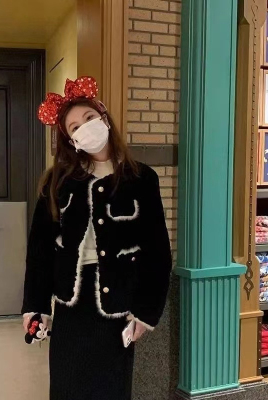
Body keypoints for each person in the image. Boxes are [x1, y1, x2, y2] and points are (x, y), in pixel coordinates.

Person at [21, 76, 172, 400]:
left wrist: (145, 313)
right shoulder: (57, 182)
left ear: (104, 117)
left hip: (118, 304)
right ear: (70, 139)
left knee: (112, 390)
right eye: (74, 127)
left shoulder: (141, 178)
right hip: (71, 306)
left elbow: (157, 252)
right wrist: (35, 307)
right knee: (67, 389)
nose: (85, 128)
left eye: (89, 118)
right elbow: (40, 251)